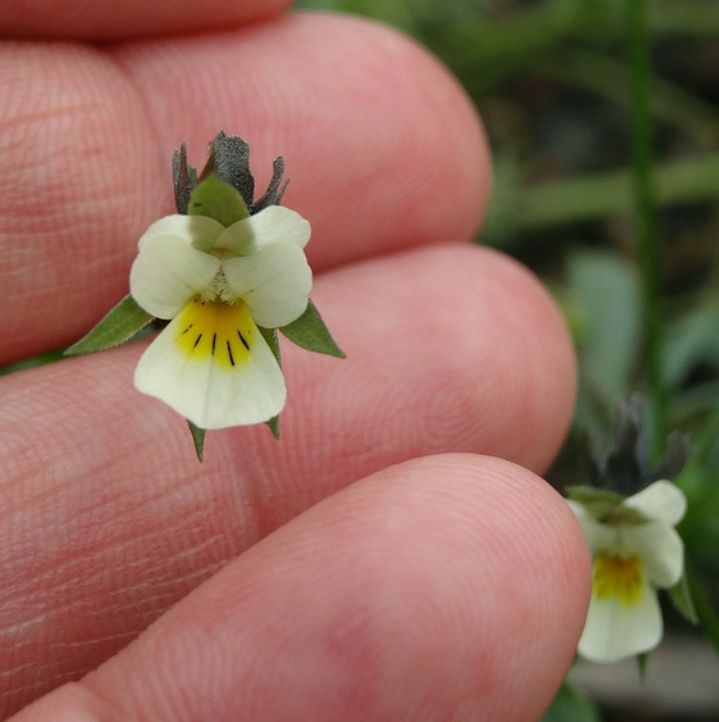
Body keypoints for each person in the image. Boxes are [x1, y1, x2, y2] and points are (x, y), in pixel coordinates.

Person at [0, 1, 590, 720]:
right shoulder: (225, 272)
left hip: (200, 317)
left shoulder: (193, 266)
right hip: (229, 318)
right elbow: (239, 290)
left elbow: (199, 282)